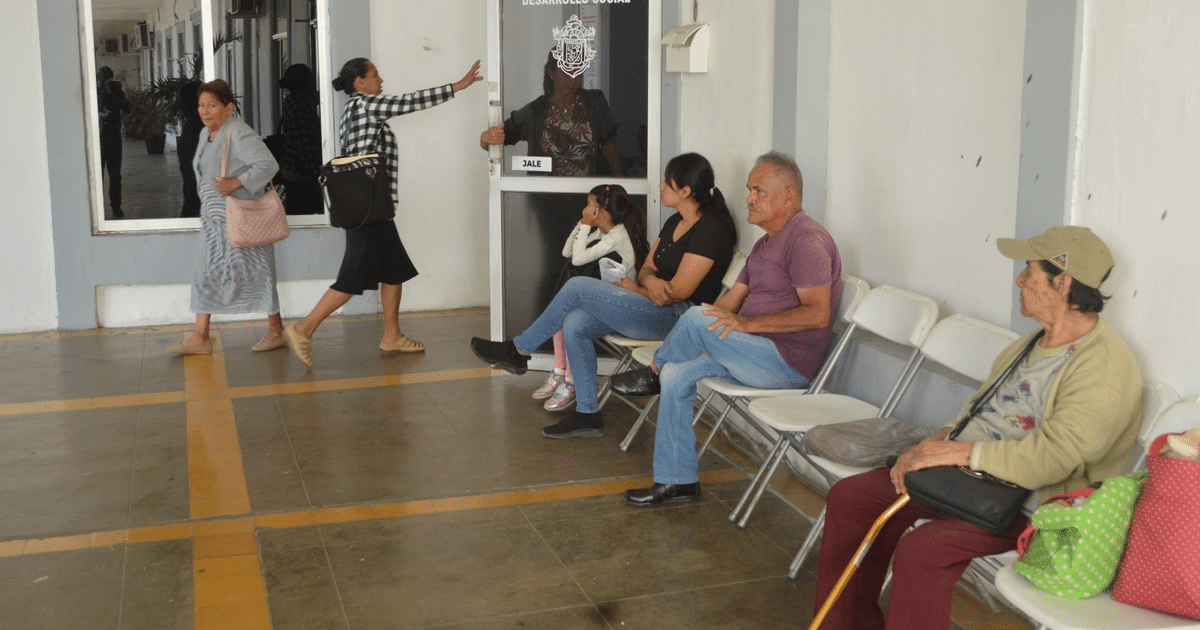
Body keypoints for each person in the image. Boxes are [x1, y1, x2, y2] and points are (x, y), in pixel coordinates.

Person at [812, 225, 1142, 630]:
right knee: (853, 498)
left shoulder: (1105, 366)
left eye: (1029, 271)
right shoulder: (1031, 343)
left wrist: (954, 453)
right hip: (966, 478)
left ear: (1063, 281)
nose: (1020, 280)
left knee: (922, 550)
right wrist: (928, 448)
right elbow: (974, 413)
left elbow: (1052, 461)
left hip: (1028, 504)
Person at [611, 152, 843, 506]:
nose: (749, 198)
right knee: (677, 371)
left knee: (692, 320)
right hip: (749, 350)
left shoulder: (806, 240)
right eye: (750, 189)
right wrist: (707, 328)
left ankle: (651, 371)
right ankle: (677, 480)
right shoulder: (764, 247)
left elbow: (817, 314)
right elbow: (726, 307)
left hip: (785, 363)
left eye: (759, 191)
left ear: (788, 196)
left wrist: (743, 324)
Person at [469, 152, 737, 439]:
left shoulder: (710, 230)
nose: (660, 187)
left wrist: (640, 287)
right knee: (575, 322)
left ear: (685, 191)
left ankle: (518, 351)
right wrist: (648, 282)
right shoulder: (675, 222)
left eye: (667, 184)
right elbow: (647, 266)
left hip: (678, 320)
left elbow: (678, 293)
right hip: (650, 305)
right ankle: (587, 414)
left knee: (576, 287)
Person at [283, 57, 483, 368]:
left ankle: (392, 336)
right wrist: (457, 86)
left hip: (369, 206)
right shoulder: (366, 105)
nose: (381, 80)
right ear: (359, 82)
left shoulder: (351, 110)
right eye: (375, 75)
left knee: (394, 270)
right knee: (352, 277)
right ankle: (303, 328)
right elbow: (410, 101)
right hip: (368, 209)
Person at [168, 79, 283, 355]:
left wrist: (235, 183)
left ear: (229, 107)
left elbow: (268, 165)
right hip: (215, 223)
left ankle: (276, 331)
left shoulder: (238, 132)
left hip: (241, 219)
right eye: (201, 105)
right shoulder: (205, 135)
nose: (204, 111)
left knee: (260, 273)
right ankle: (200, 336)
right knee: (205, 273)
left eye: (212, 105)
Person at [534, 184, 650, 412]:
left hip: (623, 308)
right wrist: (582, 225)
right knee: (562, 309)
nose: (585, 209)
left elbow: (577, 260)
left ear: (602, 213)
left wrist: (586, 225)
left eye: (589, 205)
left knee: (568, 315)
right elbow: (567, 252)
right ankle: (560, 372)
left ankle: (571, 381)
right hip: (609, 301)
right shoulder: (603, 233)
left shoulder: (616, 237)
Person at [479, 50, 621, 177]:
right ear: (551, 72)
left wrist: (622, 185)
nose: (572, 80)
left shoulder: (594, 104)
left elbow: (610, 146)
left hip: (589, 197)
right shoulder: (536, 111)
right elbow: (499, 137)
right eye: (567, 72)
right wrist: (485, 139)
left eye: (578, 74)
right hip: (546, 199)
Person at [274, 64, 323, 215]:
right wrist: (316, 171)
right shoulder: (299, 106)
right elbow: (304, 143)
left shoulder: (294, 100)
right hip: (301, 174)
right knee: (304, 213)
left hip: (294, 170)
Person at [96, 66, 131, 219]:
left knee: (115, 175)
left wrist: (116, 95)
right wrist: (102, 95)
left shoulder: (116, 91)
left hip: (113, 137)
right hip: (97, 138)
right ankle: (97, 208)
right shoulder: (94, 93)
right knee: (97, 176)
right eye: (104, 80)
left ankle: (116, 207)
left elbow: (127, 109)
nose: (106, 82)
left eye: (108, 79)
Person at [177, 80, 204, 218]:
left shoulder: (196, 127)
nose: (180, 106)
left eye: (182, 100)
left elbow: (196, 168)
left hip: (196, 191)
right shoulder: (194, 124)